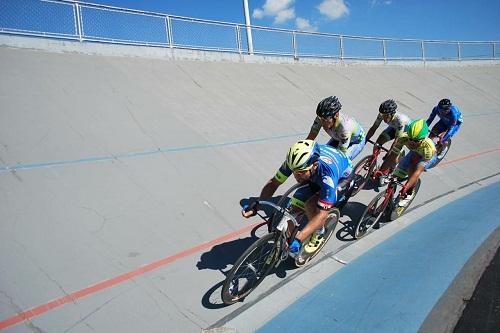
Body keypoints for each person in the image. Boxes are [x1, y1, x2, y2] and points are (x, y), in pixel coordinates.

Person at [242, 139, 352, 255]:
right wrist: (257, 206)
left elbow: (322, 214)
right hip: (318, 171)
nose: (296, 176)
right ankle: (288, 241)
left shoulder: (328, 176)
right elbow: (274, 183)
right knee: (295, 205)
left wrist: (299, 239)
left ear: (314, 165)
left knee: (311, 205)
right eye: (294, 171)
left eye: (300, 172)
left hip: (341, 179)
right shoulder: (296, 163)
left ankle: (320, 233)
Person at [375, 119, 438, 206]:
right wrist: (382, 171)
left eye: (416, 141)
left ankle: (409, 193)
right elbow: (393, 156)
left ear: (423, 139)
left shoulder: (429, 149)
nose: (412, 142)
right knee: (396, 175)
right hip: (415, 152)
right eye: (410, 139)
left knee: (411, 170)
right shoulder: (403, 138)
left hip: (427, 157)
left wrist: (406, 187)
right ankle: (389, 198)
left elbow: (417, 172)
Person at [306, 96, 366, 161]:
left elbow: (340, 155)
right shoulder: (321, 117)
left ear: (336, 115)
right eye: (321, 119)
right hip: (339, 137)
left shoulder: (344, 128)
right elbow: (310, 137)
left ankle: (350, 171)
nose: (322, 123)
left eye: (325, 120)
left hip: (356, 141)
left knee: (343, 162)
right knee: (323, 156)